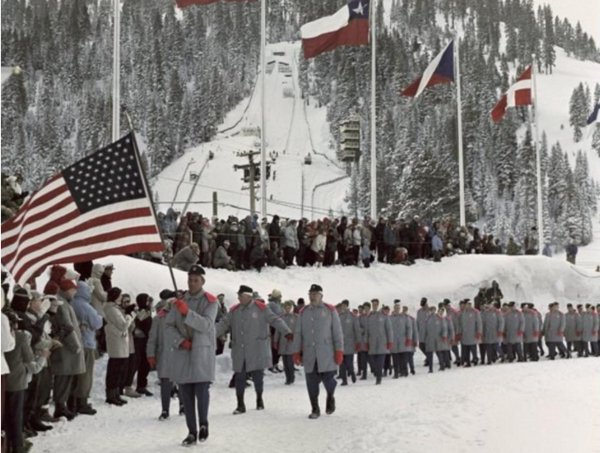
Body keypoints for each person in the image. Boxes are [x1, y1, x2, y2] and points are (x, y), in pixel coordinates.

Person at [216, 285, 292, 415]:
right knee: (240, 376)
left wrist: (287, 331)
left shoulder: (261, 309)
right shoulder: (234, 311)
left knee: (258, 377)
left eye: (241, 295)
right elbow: (223, 324)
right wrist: (208, 336)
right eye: (238, 295)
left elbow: (275, 320)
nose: (238, 297)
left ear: (248, 296)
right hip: (240, 350)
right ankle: (240, 404)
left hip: (257, 350)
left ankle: (259, 398)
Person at [165, 265, 218, 446]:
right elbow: (168, 326)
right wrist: (180, 341)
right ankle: (191, 432)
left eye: (196, 280)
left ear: (203, 281)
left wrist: (187, 312)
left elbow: (206, 325)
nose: (192, 283)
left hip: (201, 353)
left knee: (202, 391)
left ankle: (203, 423)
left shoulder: (211, 302)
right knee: (186, 394)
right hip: (184, 353)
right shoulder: (180, 300)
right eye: (190, 279)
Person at [292, 284, 343, 419]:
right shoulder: (303, 312)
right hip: (310, 354)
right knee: (311, 382)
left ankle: (330, 396)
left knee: (329, 380)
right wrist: (296, 352)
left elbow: (337, 333)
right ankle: (315, 408)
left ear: (321, 296)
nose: (312, 296)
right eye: (310, 294)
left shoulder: (330, 310)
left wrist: (339, 351)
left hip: (327, 353)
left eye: (315, 294)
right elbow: (298, 334)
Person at [71, 281, 103, 415]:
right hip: (87, 343)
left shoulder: (72, 303)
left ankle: (72, 401)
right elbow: (96, 323)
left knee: (76, 374)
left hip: (75, 343)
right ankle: (82, 402)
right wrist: (100, 317)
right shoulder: (86, 306)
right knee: (86, 375)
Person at [147, 290, 178, 420]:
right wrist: (151, 354)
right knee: (165, 382)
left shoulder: (184, 315)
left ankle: (183, 405)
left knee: (182, 381)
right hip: (164, 354)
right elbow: (153, 338)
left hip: (180, 353)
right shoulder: (159, 318)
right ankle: (165, 409)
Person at [104, 287, 136, 406]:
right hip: (116, 341)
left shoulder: (115, 308)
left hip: (120, 341)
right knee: (114, 369)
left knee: (119, 369)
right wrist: (130, 315)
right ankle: (111, 395)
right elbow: (123, 325)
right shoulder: (111, 309)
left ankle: (116, 393)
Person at [364, 299, 393, 385]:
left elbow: (389, 330)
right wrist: (366, 342)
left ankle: (378, 378)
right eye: (373, 304)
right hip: (372, 343)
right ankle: (378, 373)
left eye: (376, 304)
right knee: (373, 363)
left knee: (380, 362)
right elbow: (367, 331)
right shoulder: (369, 317)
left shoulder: (384, 316)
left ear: (378, 305)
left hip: (382, 343)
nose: (374, 306)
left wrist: (390, 341)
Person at [133, 293, 154, 396]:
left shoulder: (144, 312)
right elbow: (145, 328)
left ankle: (141, 385)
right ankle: (140, 386)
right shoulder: (142, 313)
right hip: (142, 342)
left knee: (144, 365)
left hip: (144, 341)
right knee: (143, 364)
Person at [337, 300, 361, 385]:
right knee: (341, 363)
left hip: (350, 343)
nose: (343, 307)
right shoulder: (338, 316)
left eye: (344, 306)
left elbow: (357, 330)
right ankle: (344, 380)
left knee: (349, 363)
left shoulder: (352, 316)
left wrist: (358, 342)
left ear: (347, 306)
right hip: (340, 344)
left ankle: (352, 373)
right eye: (342, 306)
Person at [274, 301, 298, 385]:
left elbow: (298, 330)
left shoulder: (296, 318)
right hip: (283, 342)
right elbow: (278, 330)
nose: (287, 309)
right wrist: (275, 341)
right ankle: (287, 377)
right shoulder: (281, 318)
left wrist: (295, 338)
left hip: (292, 342)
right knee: (285, 362)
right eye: (286, 307)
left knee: (290, 361)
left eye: (289, 307)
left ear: (292, 308)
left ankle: (291, 378)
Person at [389, 301, 412, 378]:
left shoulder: (405, 317)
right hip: (394, 341)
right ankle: (396, 373)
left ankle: (404, 371)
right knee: (395, 358)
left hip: (403, 340)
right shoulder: (390, 318)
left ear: (400, 309)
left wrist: (409, 338)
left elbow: (409, 328)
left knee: (403, 357)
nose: (397, 309)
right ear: (394, 308)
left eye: (398, 308)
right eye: (396, 307)